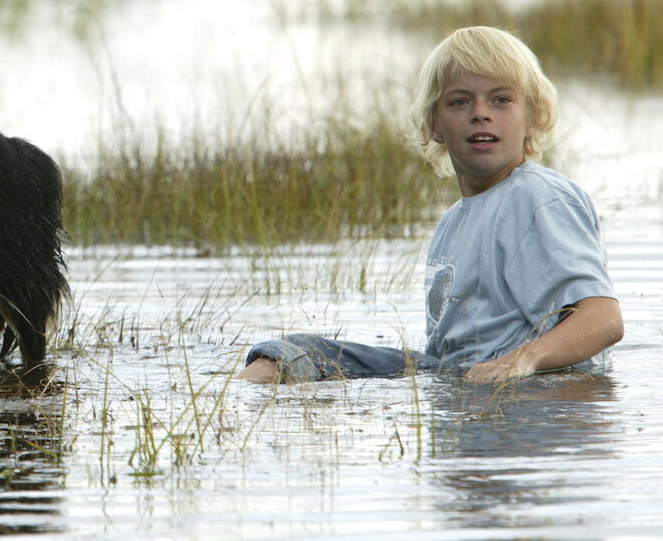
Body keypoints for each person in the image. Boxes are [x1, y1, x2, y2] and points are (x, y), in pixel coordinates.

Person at [238, 26, 624, 385]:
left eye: (501, 100)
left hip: (528, 391)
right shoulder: (453, 223)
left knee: (297, 354)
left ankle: (224, 409)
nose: (480, 112)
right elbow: (445, 349)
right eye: (459, 102)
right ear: (434, 124)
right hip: (459, 381)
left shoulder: (537, 197)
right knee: (285, 358)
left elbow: (603, 319)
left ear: (533, 117)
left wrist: (521, 361)